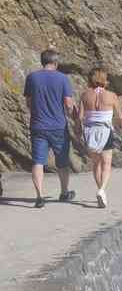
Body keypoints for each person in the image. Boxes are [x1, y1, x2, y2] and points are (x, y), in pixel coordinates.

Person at [23, 47, 75, 208]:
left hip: (38, 125)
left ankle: (39, 196)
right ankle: (64, 192)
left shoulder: (32, 78)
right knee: (62, 162)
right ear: (55, 62)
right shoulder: (62, 79)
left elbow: (29, 102)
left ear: (42, 61)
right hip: (58, 126)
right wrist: (72, 113)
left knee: (38, 162)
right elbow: (68, 103)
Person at [77, 67, 122, 208]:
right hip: (105, 130)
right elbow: (120, 116)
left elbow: (79, 117)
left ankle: (100, 191)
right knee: (106, 163)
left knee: (96, 164)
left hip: (90, 130)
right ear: (104, 79)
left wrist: (79, 131)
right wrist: (120, 125)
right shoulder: (111, 95)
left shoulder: (85, 95)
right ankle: (101, 190)